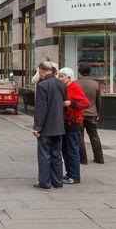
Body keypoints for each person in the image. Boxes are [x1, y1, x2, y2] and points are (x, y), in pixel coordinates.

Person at [32, 61, 67, 190]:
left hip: (46, 127)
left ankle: (45, 182)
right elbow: (64, 103)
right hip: (58, 125)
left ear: (41, 71)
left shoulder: (42, 85)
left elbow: (41, 109)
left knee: (44, 155)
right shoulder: (60, 84)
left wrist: (37, 127)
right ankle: (57, 181)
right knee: (56, 155)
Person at [58, 68, 89, 184]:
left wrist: (70, 103)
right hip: (65, 123)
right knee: (65, 150)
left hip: (74, 123)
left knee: (72, 150)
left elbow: (85, 103)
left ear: (69, 77)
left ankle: (75, 176)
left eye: (62, 76)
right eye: (59, 76)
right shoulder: (64, 87)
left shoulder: (75, 87)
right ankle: (69, 173)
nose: (60, 78)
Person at [77, 63, 104, 164]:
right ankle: (99, 158)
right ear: (89, 72)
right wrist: (98, 113)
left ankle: (83, 160)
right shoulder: (96, 84)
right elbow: (99, 101)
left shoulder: (76, 84)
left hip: (79, 114)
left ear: (79, 72)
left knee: (80, 136)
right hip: (92, 113)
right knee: (94, 136)